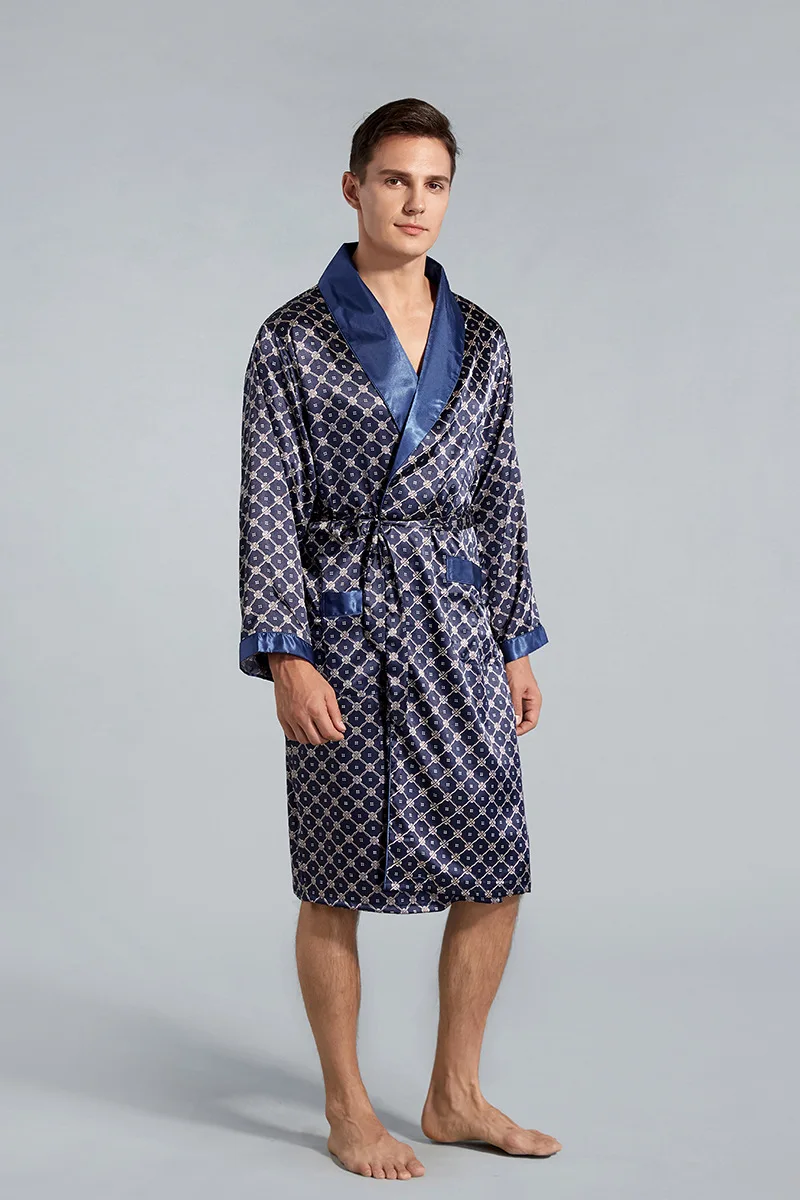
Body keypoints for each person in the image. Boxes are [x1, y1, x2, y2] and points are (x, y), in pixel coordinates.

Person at [238, 97, 561, 1180]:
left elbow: (501, 497)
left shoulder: (485, 340)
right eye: (393, 180)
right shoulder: (292, 338)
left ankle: (454, 1094)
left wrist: (515, 641)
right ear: (354, 189)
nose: (414, 202)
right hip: (343, 627)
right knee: (333, 877)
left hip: (459, 623)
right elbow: (269, 506)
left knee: (495, 863)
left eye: (433, 184)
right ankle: (345, 1107)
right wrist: (286, 654)